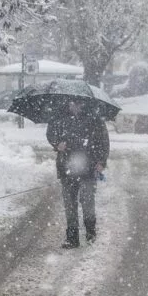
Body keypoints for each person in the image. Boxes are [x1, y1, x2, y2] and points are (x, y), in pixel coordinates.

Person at [47, 99, 110, 249]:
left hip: (88, 167)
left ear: (83, 104)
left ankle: (90, 232)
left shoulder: (94, 118)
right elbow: (50, 134)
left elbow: (103, 141)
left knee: (87, 201)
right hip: (66, 167)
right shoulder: (59, 117)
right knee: (69, 204)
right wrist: (57, 144)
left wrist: (101, 161)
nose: (75, 107)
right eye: (72, 103)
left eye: (78, 103)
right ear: (68, 104)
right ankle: (72, 237)